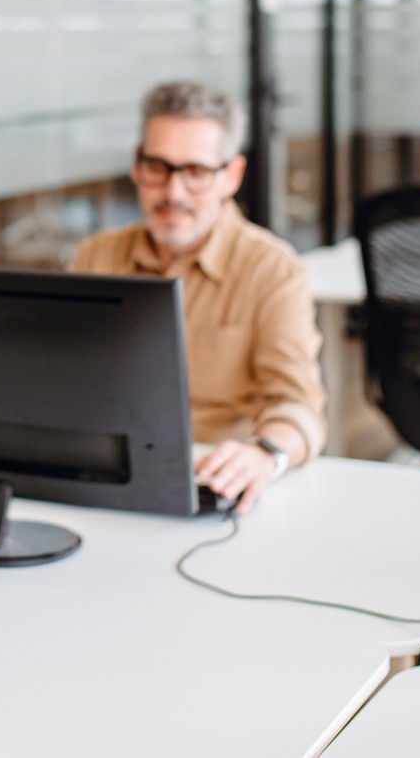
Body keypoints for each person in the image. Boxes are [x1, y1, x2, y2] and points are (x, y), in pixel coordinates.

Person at [70, 81, 323, 515]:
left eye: (197, 172)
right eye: (158, 167)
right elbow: (66, 382)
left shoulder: (273, 270)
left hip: (214, 481)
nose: (173, 193)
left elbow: (297, 405)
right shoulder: (97, 256)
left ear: (232, 176)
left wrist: (265, 453)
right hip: (106, 480)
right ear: (136, 165)